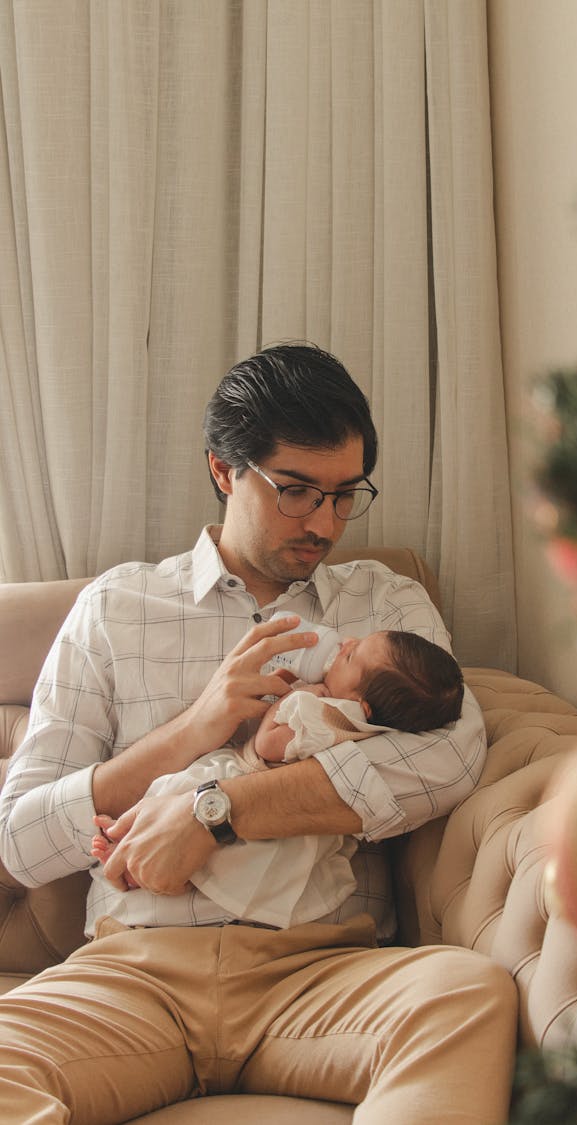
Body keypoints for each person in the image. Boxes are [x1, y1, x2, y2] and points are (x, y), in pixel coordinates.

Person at [0, 343, 517, 1124]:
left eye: (346, 495)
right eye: (297, 491)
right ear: (223, 469)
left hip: (316, 967)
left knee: (467, 994)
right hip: (135, 974)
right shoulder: (117, 608)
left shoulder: (386, 603)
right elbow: (20, 840)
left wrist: (218, 810)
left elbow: (450, 753)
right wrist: (192, 731)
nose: (325, 522)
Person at [91, 629, 465, 929]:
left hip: (250, 780)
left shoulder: (319, 709)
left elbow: (270, 746)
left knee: (176, 796)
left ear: (361, 703)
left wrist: (287, 700)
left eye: (351, 656)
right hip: (296, 827)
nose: (345, 644)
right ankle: (134, 848)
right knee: (205, 845)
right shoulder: (364, 728)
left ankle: (125, 840)